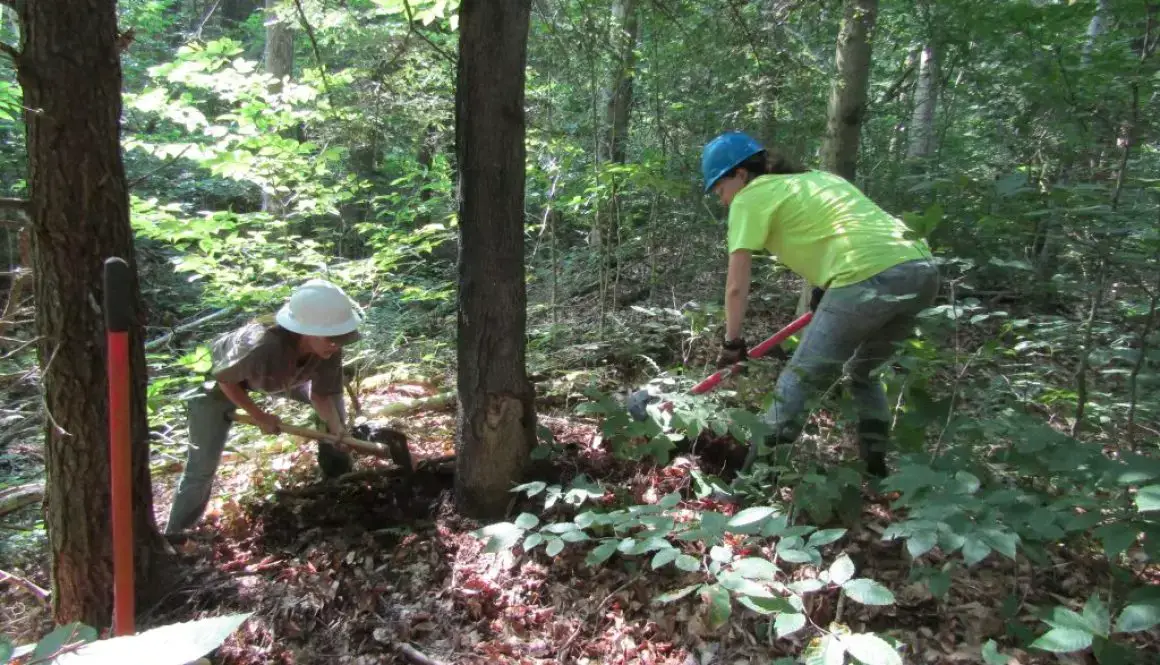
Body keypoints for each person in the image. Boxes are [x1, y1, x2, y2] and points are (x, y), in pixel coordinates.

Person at [702, 131, 939, 477]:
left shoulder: (749, 198)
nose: (722, 201)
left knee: (798, 380)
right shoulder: (819, 179)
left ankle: (753, 483)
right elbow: (839, 228)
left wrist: (733, 342)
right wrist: (822, 286)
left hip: (865, 276)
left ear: (740, 174)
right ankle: (876, 472)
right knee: (865, 372)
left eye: (720, 190)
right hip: (922, 270)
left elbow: (736, 286)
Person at [165, 278, 363, 536]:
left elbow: (322, 395)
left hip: (279, 379)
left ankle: (337, 475)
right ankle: (176, 535)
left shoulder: (329, 348)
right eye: (331, 338)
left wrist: (339, 430)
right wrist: (259, 416)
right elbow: (225, 379)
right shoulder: (262, 344)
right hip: (216, 385)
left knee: (336, 411)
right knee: (201, 468)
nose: (337, 343)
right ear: (307, 330)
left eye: (340, 337)